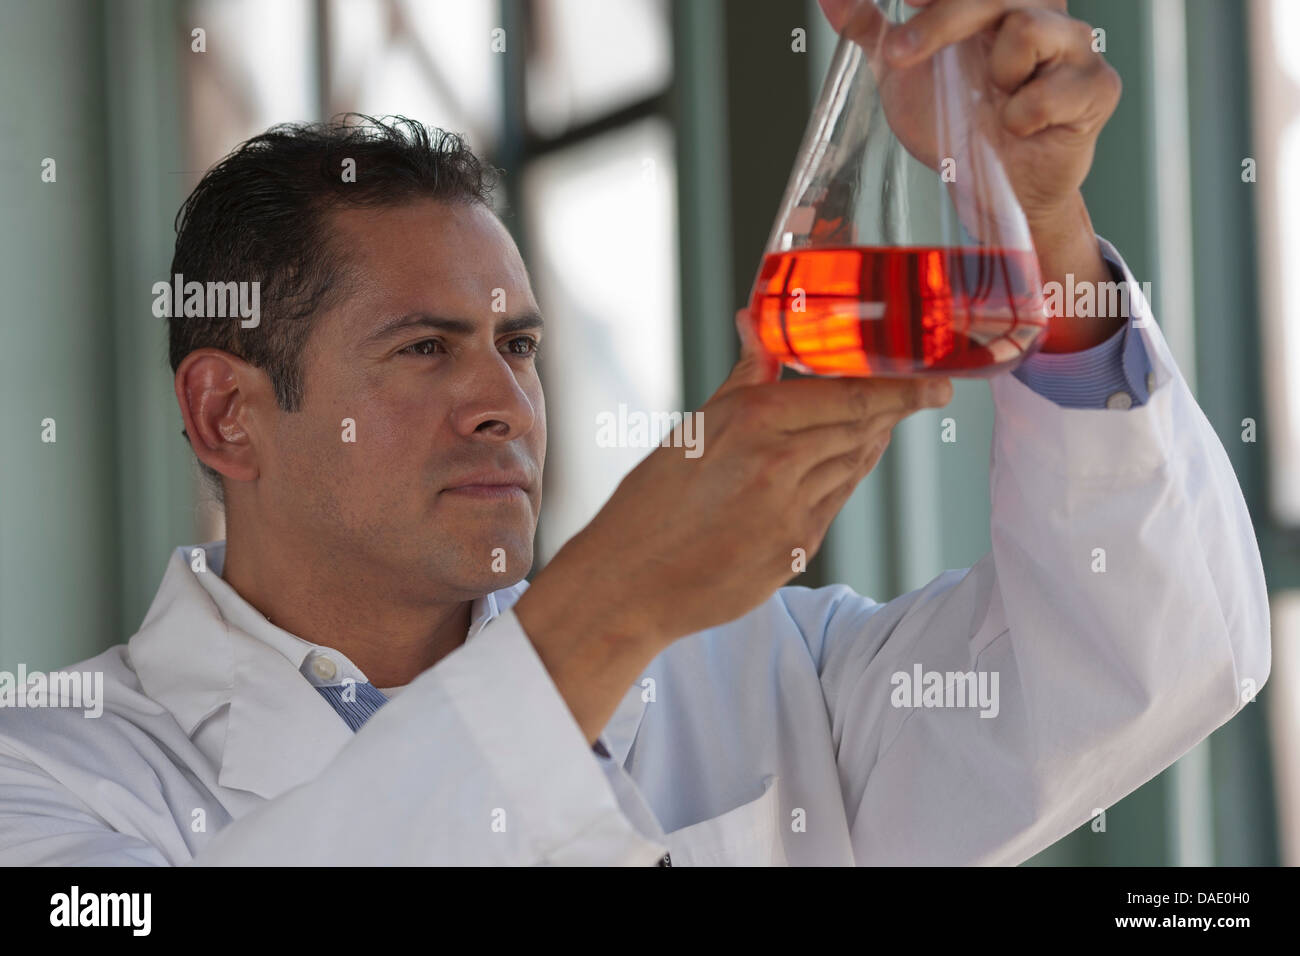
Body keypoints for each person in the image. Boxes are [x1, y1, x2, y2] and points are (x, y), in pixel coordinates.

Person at [0, 0, 1270, 865]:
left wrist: (1036, 217)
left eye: (521, 345)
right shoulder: (57, 776)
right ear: (227, 411)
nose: (502, 397)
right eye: (425, 346)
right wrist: (611, 606)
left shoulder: (761, 676)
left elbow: (1149, 659)